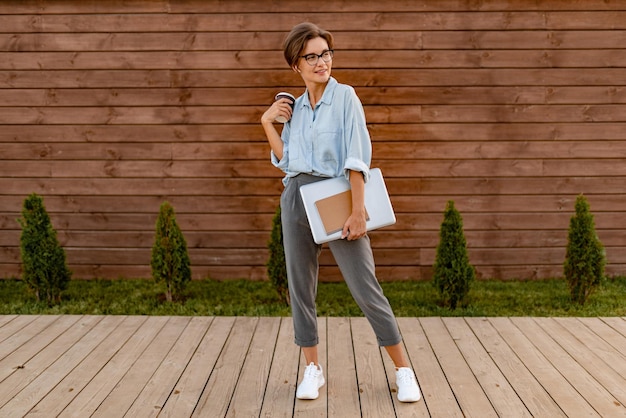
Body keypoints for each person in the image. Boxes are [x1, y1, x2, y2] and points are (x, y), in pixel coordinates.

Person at [261, 22, 421, 403]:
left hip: (337, 198)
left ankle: (403, 370)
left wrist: (358, 209)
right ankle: (312, 369)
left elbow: (356, 157)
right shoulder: (295, 109)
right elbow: (288, 163)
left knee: (365, 288)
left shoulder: (345, 97)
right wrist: (268, 122)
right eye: (312, 56)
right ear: (296, 65)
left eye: (326, 54)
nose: (322, 62)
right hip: (297, 198)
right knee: (301, 289)